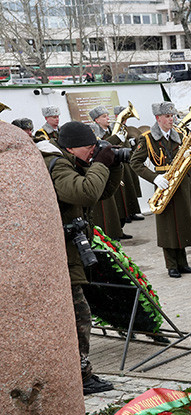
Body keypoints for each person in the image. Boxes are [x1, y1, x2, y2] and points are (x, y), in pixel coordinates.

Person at [41, 121, 122, 395]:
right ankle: (80, 375)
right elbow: (85, 193)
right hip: (59, 255)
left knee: (77, 314)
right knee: (78, 315)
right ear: (70, 147)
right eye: (89, 147)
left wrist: (112, 163)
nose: (92, 151)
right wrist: (100, 162)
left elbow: (102, 192)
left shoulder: (70, 160)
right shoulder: (58, 164)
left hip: (69, 252)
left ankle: (79, 371)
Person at [130, 102, 191, 278]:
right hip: (163, 182)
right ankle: (171, 265)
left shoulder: (180, 134)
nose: (171, 119)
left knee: (182, 222)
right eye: (167, 116)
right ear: (158, 118)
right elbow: (135, 163)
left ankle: (183, 263)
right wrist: (154, 177)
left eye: (172, 116)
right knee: (167, 225)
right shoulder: (147, 138)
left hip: (180, 182)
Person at [87, 105, 128, 241]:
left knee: (116, 203)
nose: (107, 118)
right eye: (104, 116)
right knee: (106, 206)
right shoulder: (94, 131)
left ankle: (117, 230)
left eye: (107, 115)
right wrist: (116, 138)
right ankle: (110, 233)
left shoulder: (110, 129)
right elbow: (102, 148)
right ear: (96, 120)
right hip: (101, 168)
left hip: (112, 167)